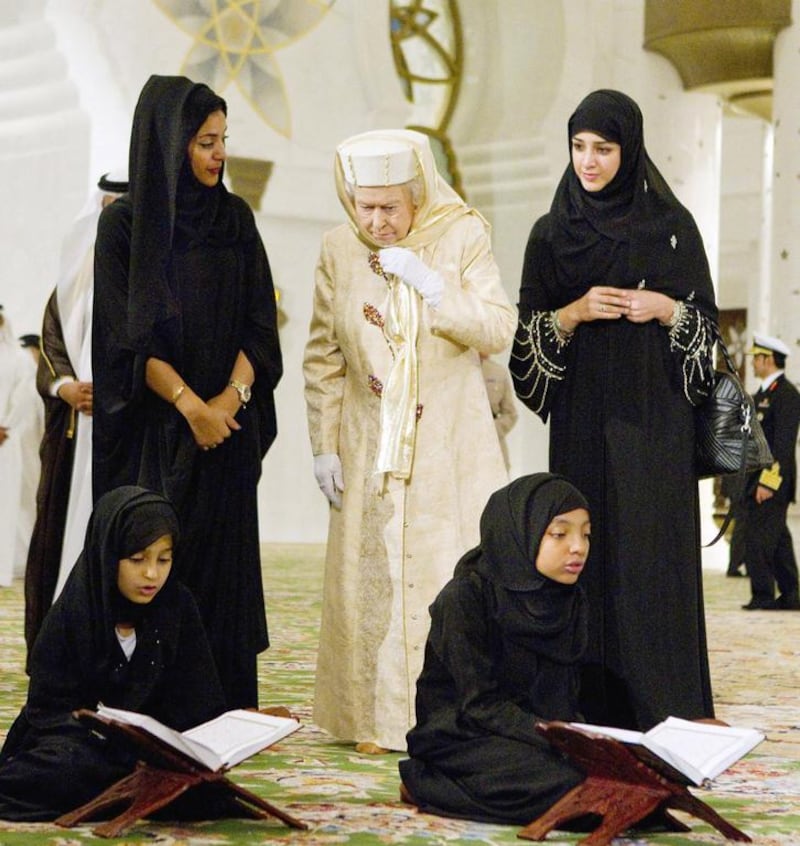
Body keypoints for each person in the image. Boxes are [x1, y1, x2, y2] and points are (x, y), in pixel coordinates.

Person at [509, 89, 718, 731]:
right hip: (583, 423)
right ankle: (588, 699)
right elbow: (525, 340)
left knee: (651, 553)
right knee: (586, 548)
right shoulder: (550, 235)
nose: (589, 162)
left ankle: (666, 701)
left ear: (628, 150)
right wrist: (571, 314)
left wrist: (667, 310)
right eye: (578, 147)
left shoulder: (672, 228)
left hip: (655, 424)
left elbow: (710, 337)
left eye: (603, 148)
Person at [303, 129, 515, 753]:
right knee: (369, 581)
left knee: (444, 575)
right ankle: (371, 718)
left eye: (390, 207)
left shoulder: (462, 235)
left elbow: (499, 327)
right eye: (364, 206)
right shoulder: (339, 249)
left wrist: (433, 286)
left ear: (417, 193)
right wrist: (325, 442)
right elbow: (323, 356)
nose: (377, 220)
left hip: (450, 443)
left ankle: (449, 715)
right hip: (369, 445)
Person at [92, 76, 283, 708]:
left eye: (224, 140)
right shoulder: (125, 228)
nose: (219, 154)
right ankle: (153, 731)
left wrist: (227, 403)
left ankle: (221, 730)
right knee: (158, 575)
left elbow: (260, 327)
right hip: (161, 437)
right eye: (205, 142)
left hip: (225, 437)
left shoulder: (235, 220)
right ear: (171, 144)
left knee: (220, 591)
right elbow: (127, 341)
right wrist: (189, 407)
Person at [0, 486, 226, 821]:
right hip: (79, 745)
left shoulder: (178, 608)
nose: (152, 574)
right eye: (137, 559)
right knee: (67, 770)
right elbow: (48, 711)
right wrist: (108, 739)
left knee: (205, 788)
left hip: (151, 753)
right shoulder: (74, 613)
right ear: (108, 554)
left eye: (163, 559)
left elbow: (199, 700)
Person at [399, 473, 590, 825]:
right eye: (560, 534)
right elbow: (479, 706)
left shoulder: (568, 599)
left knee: (618, 777)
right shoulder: (465, 598)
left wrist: (581, 740)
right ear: (520, 532)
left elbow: (565, 696)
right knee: (575, 786)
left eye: (585, 534)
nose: (577, 547)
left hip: (534, 734)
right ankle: (428, 781)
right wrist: (555, 738)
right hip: (463, 736)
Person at [24, 172, 128, 656]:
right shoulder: (69, 289)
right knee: (57, 537)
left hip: (127, 434)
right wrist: (67, 388)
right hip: (72, 435)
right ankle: (53, 646)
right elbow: (49, 349)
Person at [740, 333, 800, 610]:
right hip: (757, 478)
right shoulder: (761, 395)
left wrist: (769, 482)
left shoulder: (787, 395)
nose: (753, 364)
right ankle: (791, 594)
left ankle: (762, 595)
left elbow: (783, 447)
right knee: (777, 540)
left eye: (757, 359)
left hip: (772, 481)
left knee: (758, 538)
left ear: (767, 359)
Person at [0, 307, 38, 587]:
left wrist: (6, 425)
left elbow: (24, 395)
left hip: (4, 441)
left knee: (6, 505)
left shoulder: (18, 358)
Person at [480, 352, 518, 470]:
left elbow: (511, 414)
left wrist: (491, 429)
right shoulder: (461, 372)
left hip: (494, 445)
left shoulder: (498, 373)